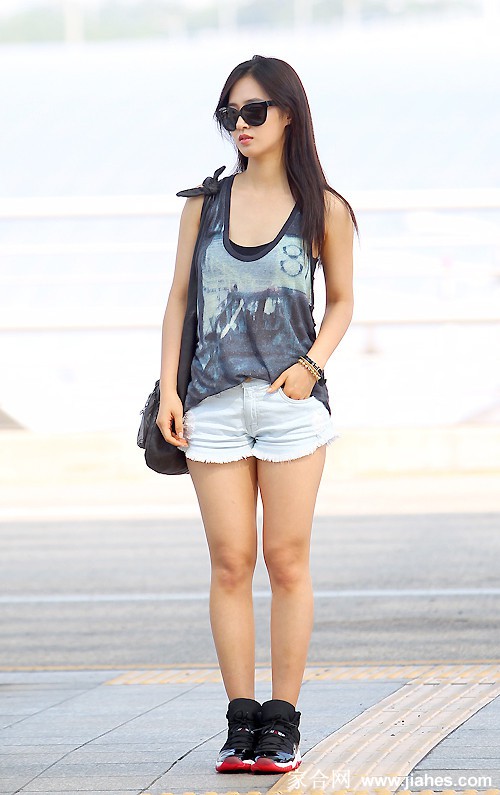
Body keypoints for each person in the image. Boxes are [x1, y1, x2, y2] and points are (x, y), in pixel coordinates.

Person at [156, 55, 357, 775]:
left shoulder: (324, 208)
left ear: (288, 115)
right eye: (229, 114)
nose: (239, 125)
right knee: (230, 561)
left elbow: (342, 303)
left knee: (287, 561)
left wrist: (311, 367)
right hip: (210, 404)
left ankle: (283, 722)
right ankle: (241, 722)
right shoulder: (203, 205)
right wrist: (170, 390)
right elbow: (179, 300)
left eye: (253, 112)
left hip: (289, 408)